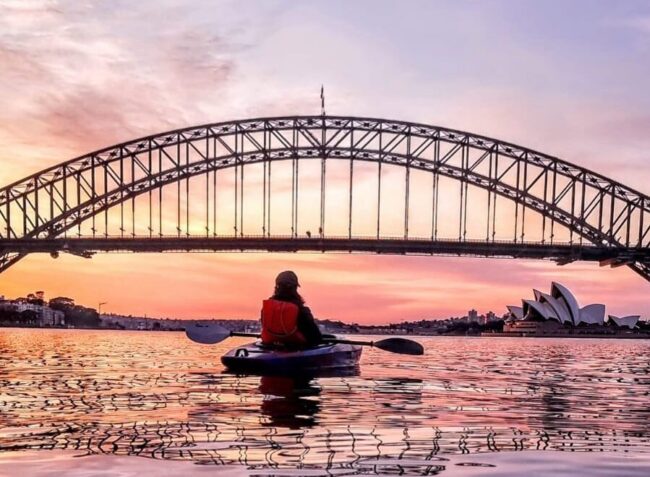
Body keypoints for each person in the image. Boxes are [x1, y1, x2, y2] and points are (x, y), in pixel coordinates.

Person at [260, 270, 323, 348]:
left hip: (269, 345)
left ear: (276, 287)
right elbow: (316, 337)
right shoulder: (301, 310)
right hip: (295, 346)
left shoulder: (266, 308)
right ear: (295, 288)